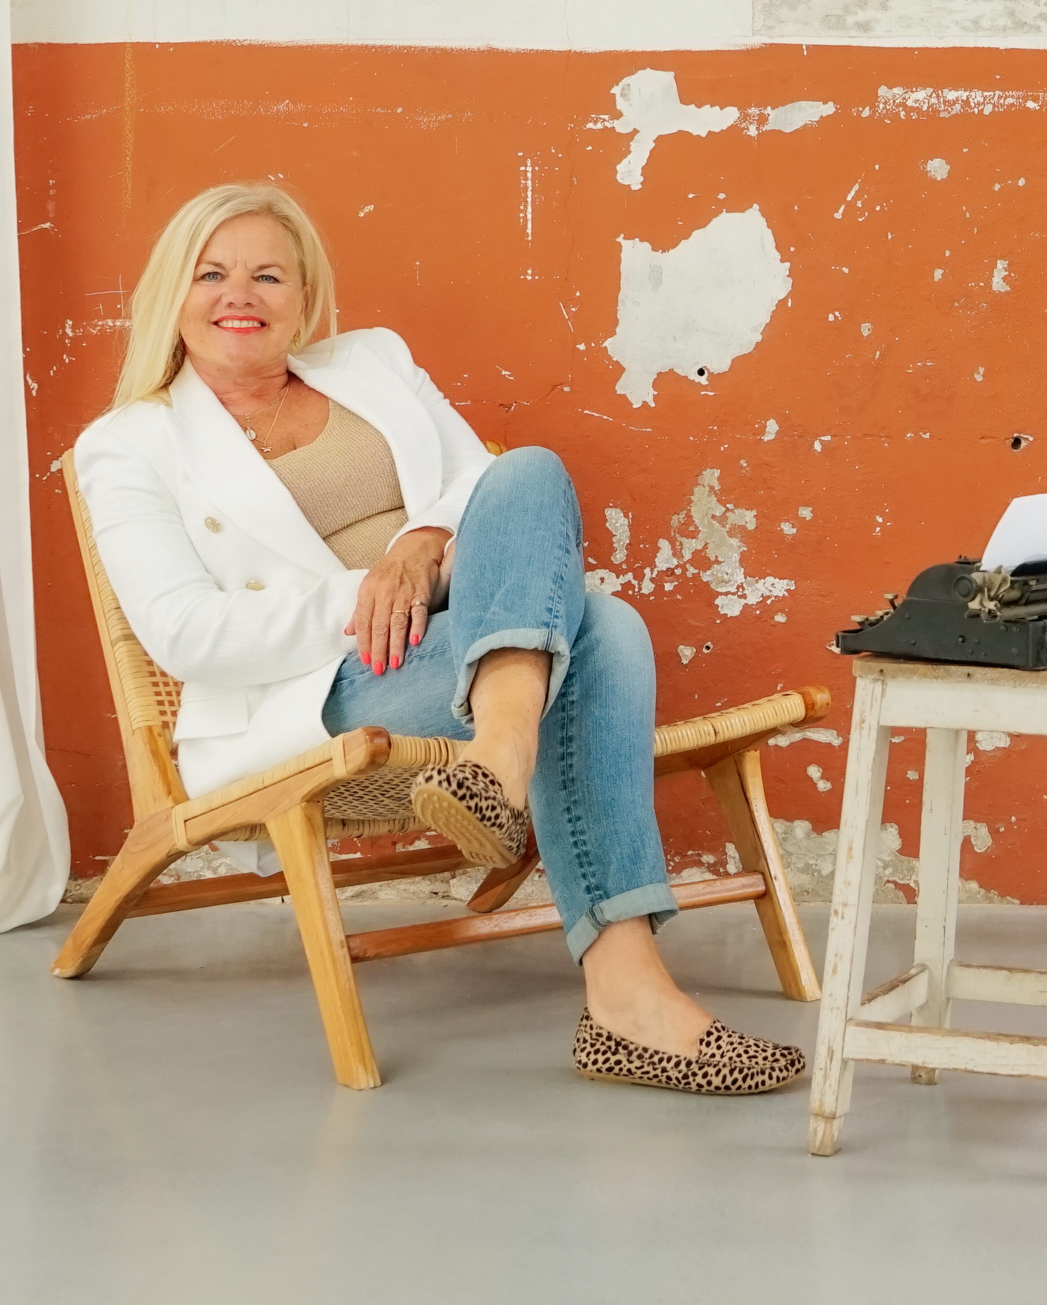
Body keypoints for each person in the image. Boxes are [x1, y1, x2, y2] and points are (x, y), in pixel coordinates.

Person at [73, 182, 803, 1096]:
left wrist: (420, 545)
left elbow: (479, 488)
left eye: (269, 275)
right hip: (327, 683)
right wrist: (367, 594)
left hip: (465, 623)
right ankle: (626, 989)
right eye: (211, 274)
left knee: (528, 470)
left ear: (305, 296)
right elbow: (185, 633)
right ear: (171, 294)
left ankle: (499, 762)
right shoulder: (128, 444)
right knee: (604, 627)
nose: (241, 296)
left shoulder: (371, 361)